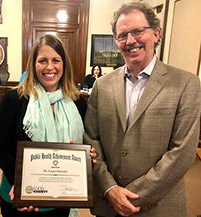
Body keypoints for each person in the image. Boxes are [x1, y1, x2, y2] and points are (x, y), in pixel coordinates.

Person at [84, 2, 201, 217]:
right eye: (122, 35)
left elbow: (182, 153)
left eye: (138, 31)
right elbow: (91, 138)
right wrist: (110, 189)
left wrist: (128, 196)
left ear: (156, 34)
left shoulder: (186, 84)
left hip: (159, 207)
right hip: (108, 205)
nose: (130, 41)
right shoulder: (102, 85)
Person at [0, 34, 89, 217]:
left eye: (56, 60)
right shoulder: (14, 100)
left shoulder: (77, 103)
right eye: (43, 60)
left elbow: (83, 146)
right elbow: (1, 151)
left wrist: (88, 154)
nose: (50, 67)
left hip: (61, 199)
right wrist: (22, 186)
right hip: (19, 198)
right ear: (33, 65)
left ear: (64, 64)